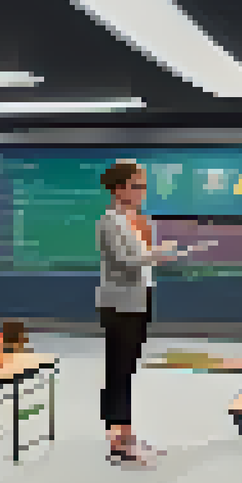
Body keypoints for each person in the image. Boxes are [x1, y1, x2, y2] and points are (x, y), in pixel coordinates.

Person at [95, 160, 207, 466]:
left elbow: (139, 258)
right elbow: (124, 260)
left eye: (143, 186)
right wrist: (161, 252)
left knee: (127, 369)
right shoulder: (110, 220)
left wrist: (158, 253)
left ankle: (125, 433)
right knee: (118, 370)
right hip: (120, 303)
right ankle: (117, 440)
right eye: (136, 186)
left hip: (138, 298)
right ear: (119, 189)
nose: (142, 192)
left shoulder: (134, 219)